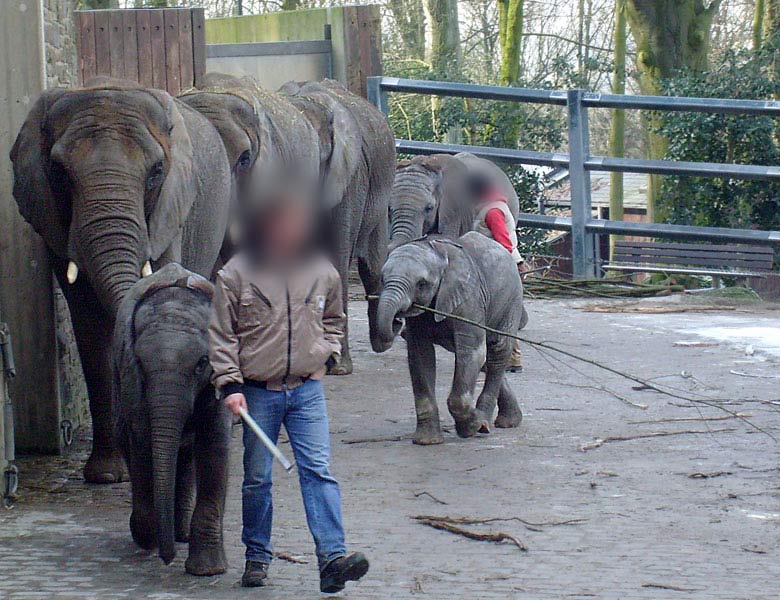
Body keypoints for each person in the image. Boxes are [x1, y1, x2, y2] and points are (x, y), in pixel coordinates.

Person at [208, 195, 369, 593]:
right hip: (257, 395)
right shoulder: (235, 275)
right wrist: (229, 384)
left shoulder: (322, 272)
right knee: (257, 479)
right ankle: (256, 557)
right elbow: (222, 335)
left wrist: (328, 359)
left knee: (318, 471)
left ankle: (333, 559)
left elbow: (335, 320)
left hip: (306, 392)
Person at [467, 172, 526, 372]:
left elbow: (504, 243)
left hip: (501, 268)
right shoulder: (490, 207)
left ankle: (512, 357)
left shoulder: (492, 211)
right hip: (496, 267)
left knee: (505, 314)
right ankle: (507, 356)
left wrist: (503, 268)